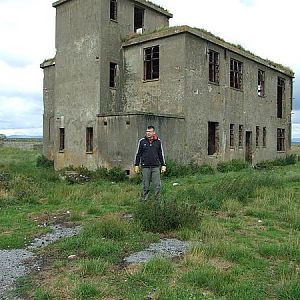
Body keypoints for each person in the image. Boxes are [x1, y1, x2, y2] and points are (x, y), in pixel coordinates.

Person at [134, 125, 166, 200]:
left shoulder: (158, 142)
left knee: (157, 185)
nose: (148, 133)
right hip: (145, 167)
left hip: (155, 167)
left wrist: (163, 165)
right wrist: (136, 165)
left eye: (150, 132)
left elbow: (160, 154)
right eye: (147, 131)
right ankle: (145, 201)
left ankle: (157, 201)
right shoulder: (142, 141)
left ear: (153, 132)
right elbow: (138, 154)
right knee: (146, 185)